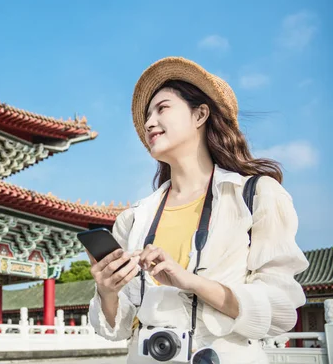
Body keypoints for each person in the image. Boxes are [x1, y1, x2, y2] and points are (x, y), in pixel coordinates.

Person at [87, 57, 309, 364]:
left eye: (162, 108)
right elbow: (117, 328)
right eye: (147, 115)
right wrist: (107, 290)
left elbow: (282, 308)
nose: (150, 121)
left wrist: (191, 282)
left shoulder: (256, 195)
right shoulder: (133, 218)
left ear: (200, 114)